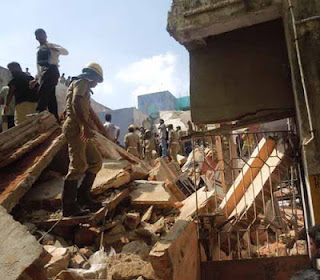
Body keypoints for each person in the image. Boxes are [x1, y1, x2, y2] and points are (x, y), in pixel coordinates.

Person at [62, 62, 104, 217]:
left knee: (96, 161)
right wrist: (84, 126)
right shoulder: (82, 82)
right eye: (97, 81)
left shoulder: (80, 82)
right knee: (78, 166)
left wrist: (88, 125)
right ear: (93, 76)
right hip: (76, 128)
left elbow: (79, 106)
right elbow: (76, 102)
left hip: (79, 126)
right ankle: (69, 208)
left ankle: (83, 197)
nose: (96, 84)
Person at [29, 28, 68, 122]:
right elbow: (39, 66)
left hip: (52, 70)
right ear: (36, 38)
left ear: (46, 36)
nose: (40, 37)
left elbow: (65, 52)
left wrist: (52, 48)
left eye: (42, 35)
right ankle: (55, 118)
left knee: (42, 91)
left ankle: (40, 112)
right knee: (51, 97)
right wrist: (36, 79)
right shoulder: (39, 51)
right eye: (38, 36)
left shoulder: (51, 45)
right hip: (44, 73)